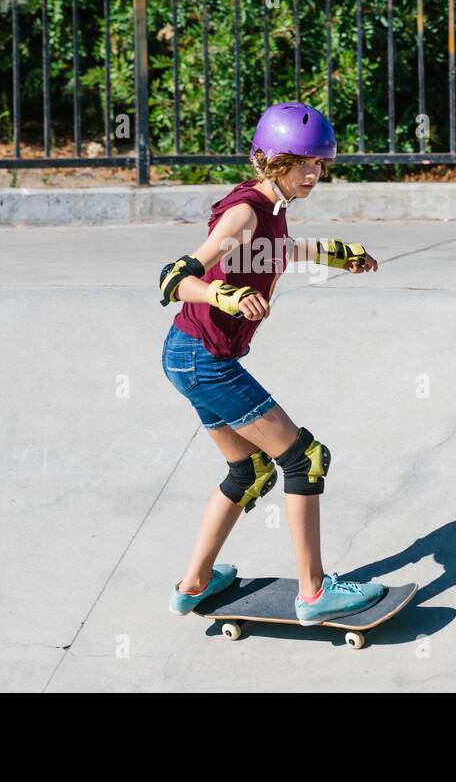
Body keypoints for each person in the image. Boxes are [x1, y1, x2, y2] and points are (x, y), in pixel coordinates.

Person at [158, 101, 386, 625]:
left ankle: (192, 586)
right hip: (204, 359)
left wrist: (337, 253)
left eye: (321, 164)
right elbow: (175, 278)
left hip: (188, 355)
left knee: (248, 469)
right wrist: (227, 299)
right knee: (305, 459)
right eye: (303, 163)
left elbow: (275, 252)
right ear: (272, 160)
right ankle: (314, 594)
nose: (314, 173)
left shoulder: (271, 207)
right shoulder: (244, 213)